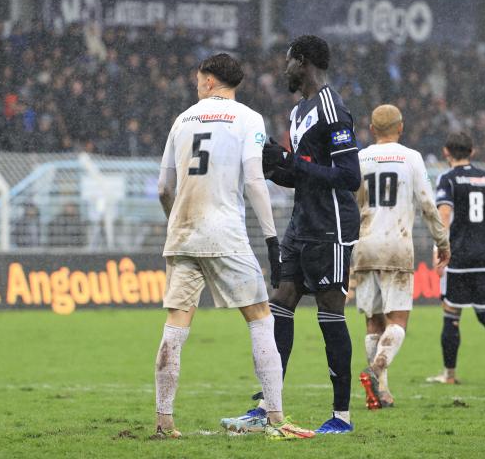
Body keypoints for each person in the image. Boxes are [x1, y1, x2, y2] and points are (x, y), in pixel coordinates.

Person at [153, 53, 314, 440]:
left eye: (198, 79)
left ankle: (164, 422)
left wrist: (175, 219)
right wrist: (272, 238)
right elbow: (256, 182)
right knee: (260, 317)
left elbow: (163, 187)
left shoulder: (182, 120)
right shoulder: (247, 119)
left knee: (176, 325)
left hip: (183, 232)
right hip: (225, 231)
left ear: (209, 81)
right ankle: (276, 420)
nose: (196, 85)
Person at [221, 35, 361, 434]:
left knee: (330, 312)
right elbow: (301, 174)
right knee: (279, 304)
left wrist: (292, 162)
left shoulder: (332, 107)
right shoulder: (300, 110)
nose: (284, 69)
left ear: (302, 61)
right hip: (301, 225)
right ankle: (268, 405)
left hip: (330, 227)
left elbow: (349, 177)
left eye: (288, 61)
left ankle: (342, 416)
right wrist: (271, 165)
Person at [352, 105, 451, 409]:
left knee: (373, 323)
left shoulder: (359, 158)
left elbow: (351, 204)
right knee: (398, 321)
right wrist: (442, 241)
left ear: (371, 130)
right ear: (401, 127)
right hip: (397, 244)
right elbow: (427, 204)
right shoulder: (411, 157)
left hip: (365, 244)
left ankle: (381, 391)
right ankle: (377, 369)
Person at [425, 132, 485, 385]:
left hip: (458, 255)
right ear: (473, 152)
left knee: (451, 313)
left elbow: (444, 214)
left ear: (446, 152)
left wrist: (440, 249)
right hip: (484, 256)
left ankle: (449, 375)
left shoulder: (447, 178)